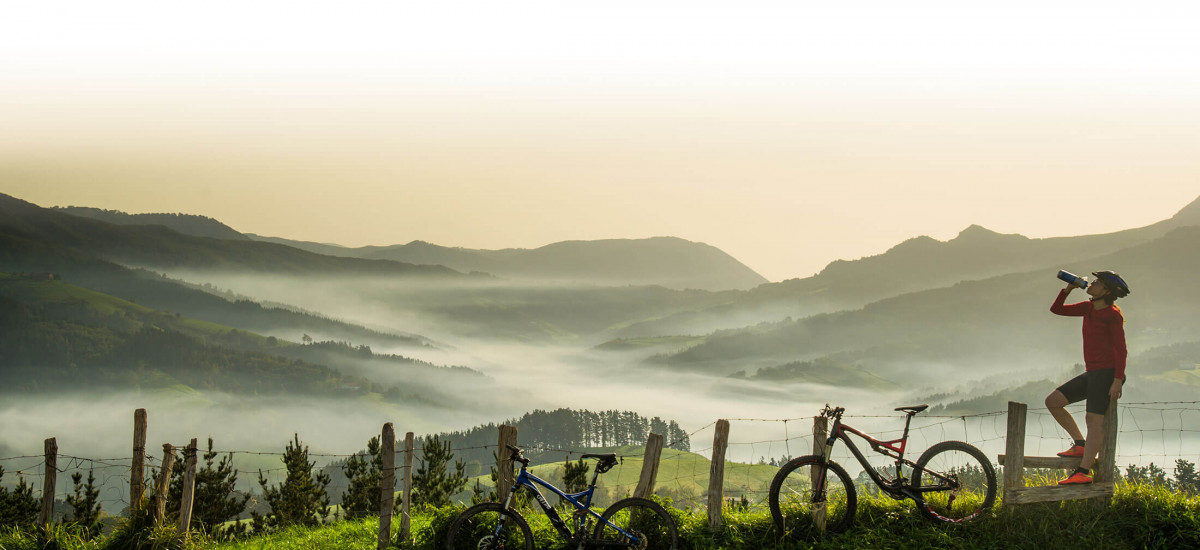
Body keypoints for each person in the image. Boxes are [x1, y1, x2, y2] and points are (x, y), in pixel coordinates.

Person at [1044, 270, 1131, 485]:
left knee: (1094, 421)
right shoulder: (1088, 308)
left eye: (1098, 282)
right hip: (1093, 372)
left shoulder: (1112, 314)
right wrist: (1067, 290)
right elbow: (1056, 310)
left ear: (1107, 291)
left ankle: (1084, 470)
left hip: (1107, 373)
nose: (1092, 283)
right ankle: (1080, 444)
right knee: (1053, 402)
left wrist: (1117, 380)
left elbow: (1121, 350)